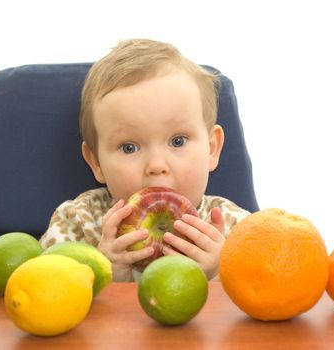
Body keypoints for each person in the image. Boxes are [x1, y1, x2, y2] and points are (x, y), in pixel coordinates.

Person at [39, 39, 250, 282]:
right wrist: (105, 275)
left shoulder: (236, 229)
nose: (156, 166)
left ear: (212, 149)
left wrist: (217, 275)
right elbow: (43, 292)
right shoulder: (78, 222)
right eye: (129, 147)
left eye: (178, 141)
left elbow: (264, 299)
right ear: (96, 162)